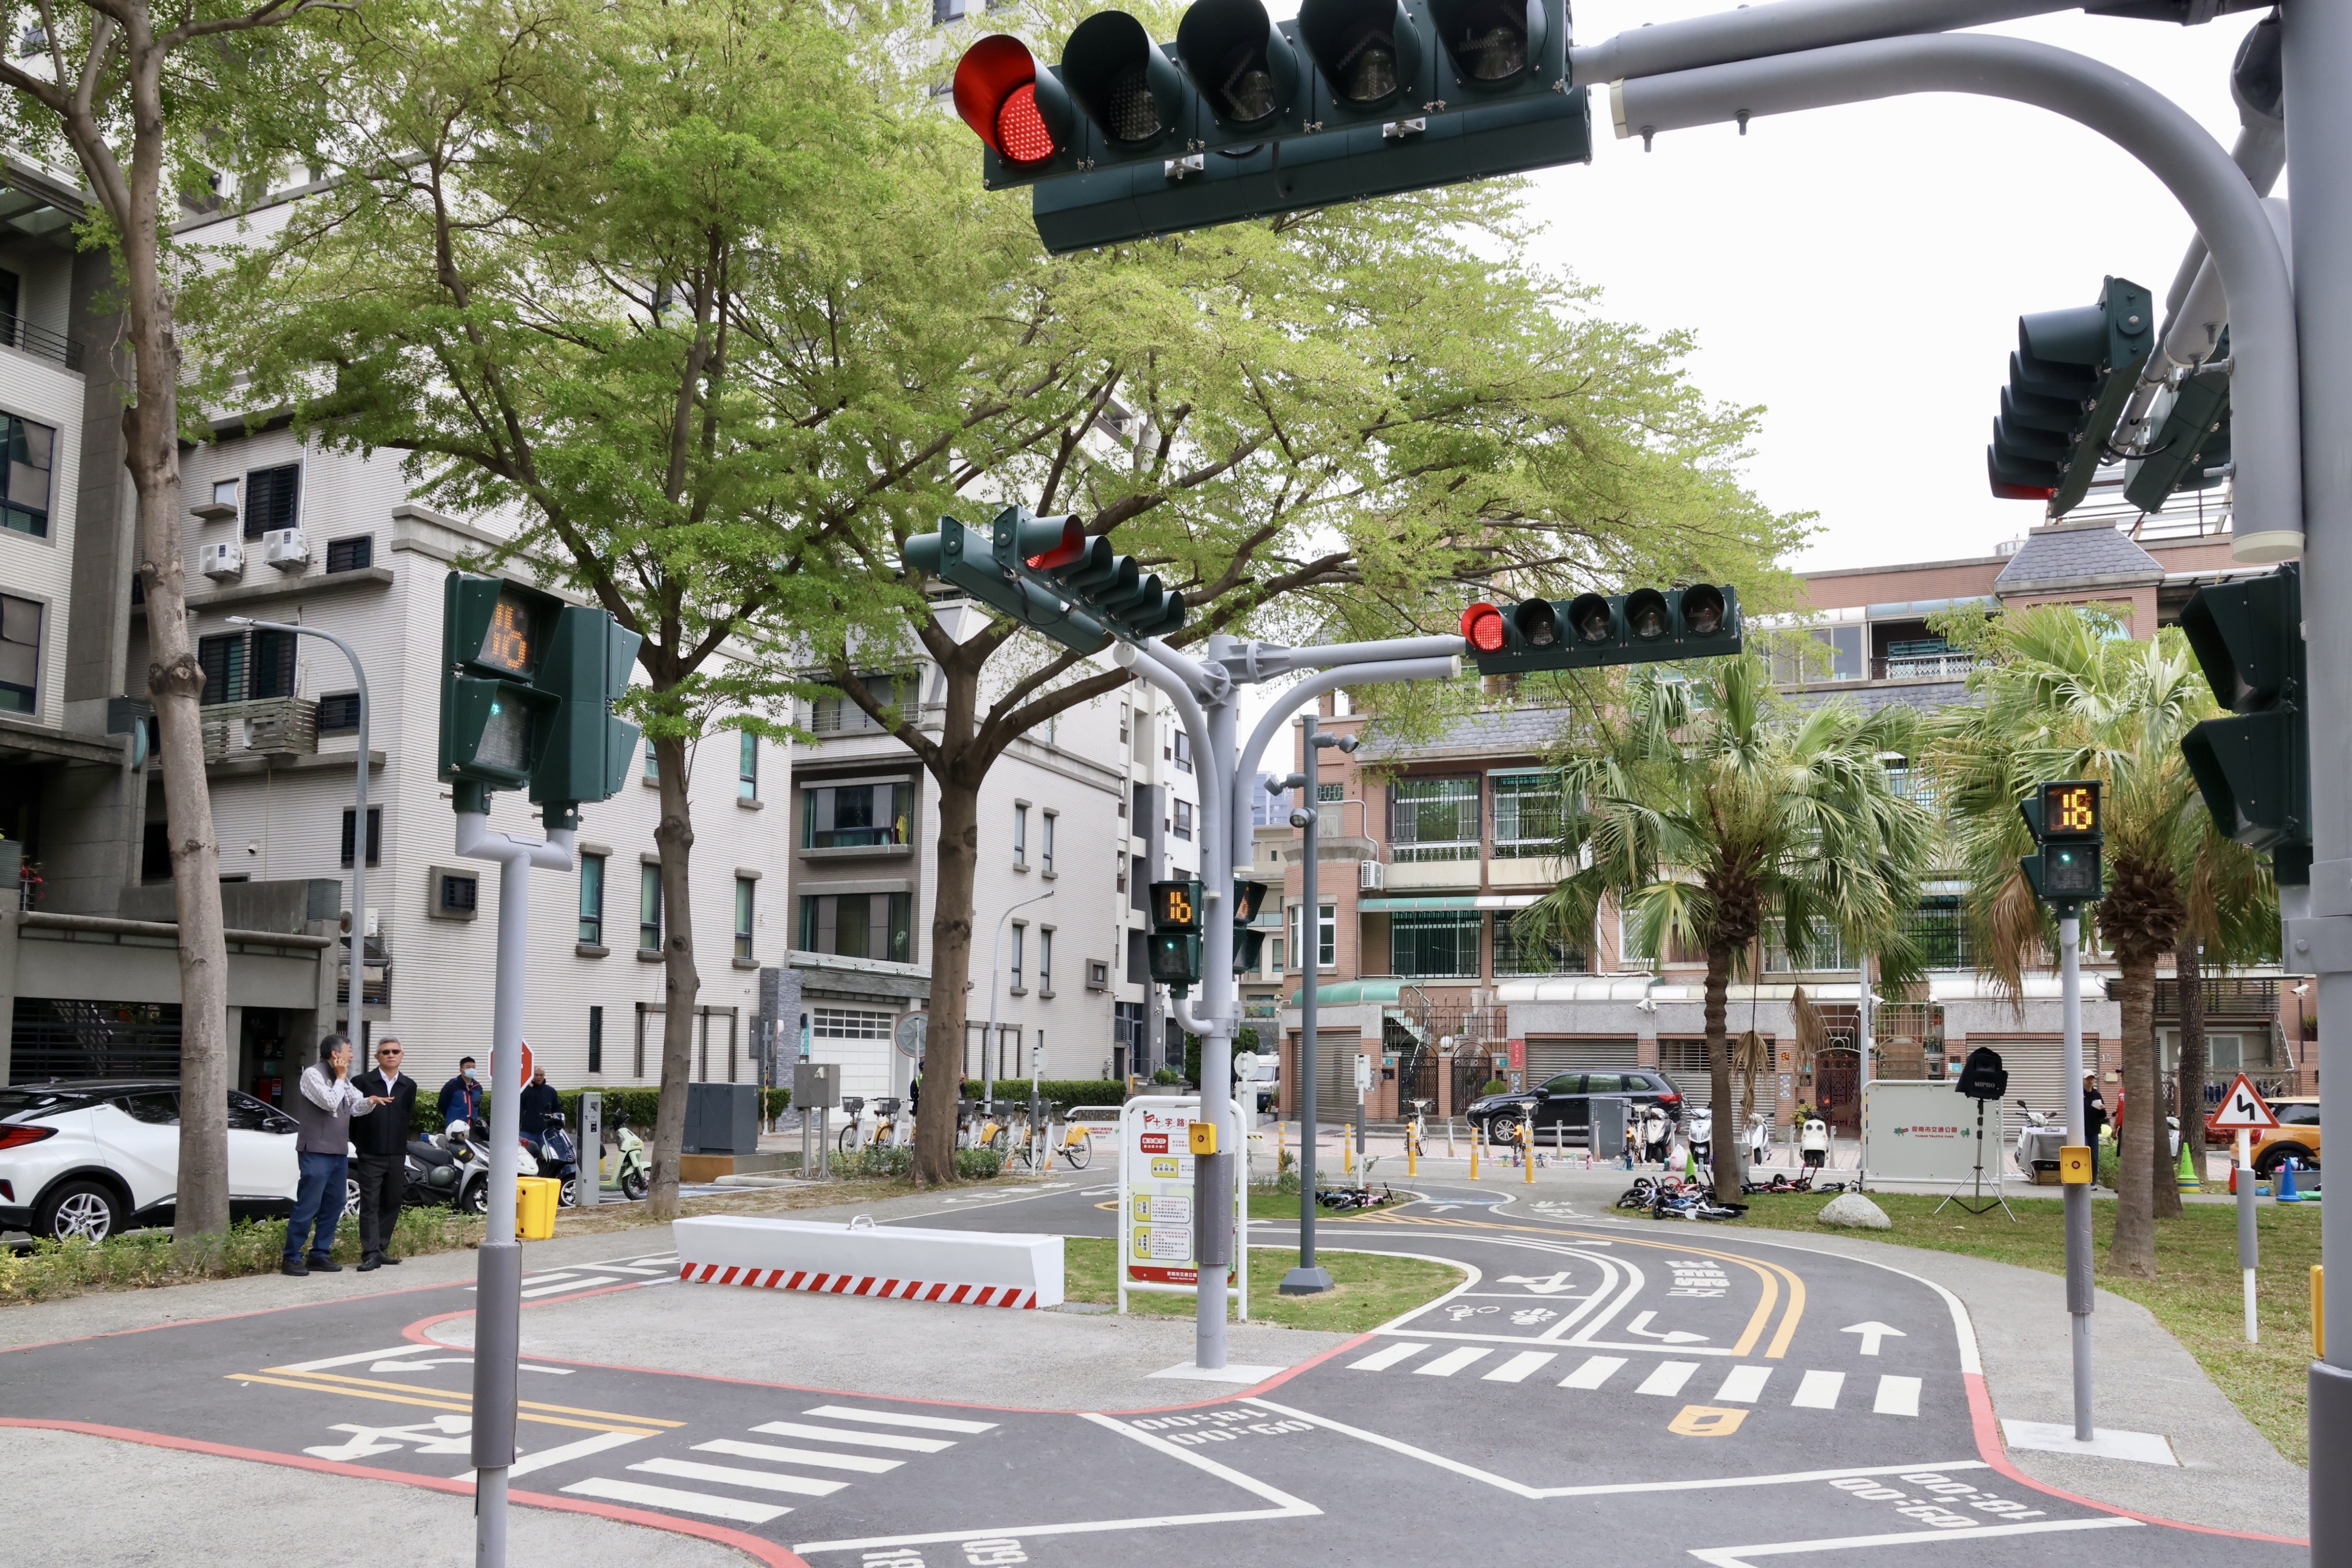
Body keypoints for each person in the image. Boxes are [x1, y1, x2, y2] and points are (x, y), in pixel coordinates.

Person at [285, 1033, 389, 1277]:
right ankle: (291, 1257)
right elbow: (330, 1102)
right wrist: (341, 1078)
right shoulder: (313, 1074)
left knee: (335, 1204)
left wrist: (371, 1101)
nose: (352, 1055)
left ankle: (320, 1254)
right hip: (316, 1150)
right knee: (309, 1204)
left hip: (338, 1150)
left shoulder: (342, 1078)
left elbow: (355, 1106)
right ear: (335, 1054)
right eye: (349, 1050)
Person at [350, 1037, 418, 1271]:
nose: (391, 1055)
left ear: (402, 1055)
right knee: (370, 1203)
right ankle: (370, 1252)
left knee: (392, 1201)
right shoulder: (361, 1082)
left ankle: (381, 1248)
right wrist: (361, 1145)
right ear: (377, 1057)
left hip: (397, 1153)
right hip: (370, 1152)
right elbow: (354, 1114)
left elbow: (406, 1115)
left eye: (395, 1051)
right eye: (386, 1052)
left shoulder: (409, 1085)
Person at [518, 1065, 562, 1145]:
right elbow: (519, 1103)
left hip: (545, 1132)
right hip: (526, 1131)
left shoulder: (551, 1091)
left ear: (544, 1076)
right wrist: (528, 1087)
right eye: (536, 1075)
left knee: (544, 1156)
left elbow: (557, 1108)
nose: (539, 1077)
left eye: (541, 1075)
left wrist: (556, 1124)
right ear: (532, 1075)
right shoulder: (525, 1090)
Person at [2082, 1071, 2109, 1189]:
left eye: (2092, 1078)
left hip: (2094, 1129)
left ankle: (2092, 1182)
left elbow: (2102, 1116)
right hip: (2081, 1130)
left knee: (2094, 1156)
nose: (2091, 1081)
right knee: (2084, 1154)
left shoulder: (2096, 1095)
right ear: (2083, 1080)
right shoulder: (2078, 1093)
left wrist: (2103, 1109)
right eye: (2088, 1079)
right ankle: (2083, 1179)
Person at [439, 1057, 484, 1127]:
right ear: (461, 1070)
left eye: (474, 1067)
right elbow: (442, 1105)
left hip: (474, 1128)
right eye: (468, 1068)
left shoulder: (478, 1087)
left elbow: (477, 1106)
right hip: (455, 1128)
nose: (472, 1070)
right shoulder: (452, 1085)